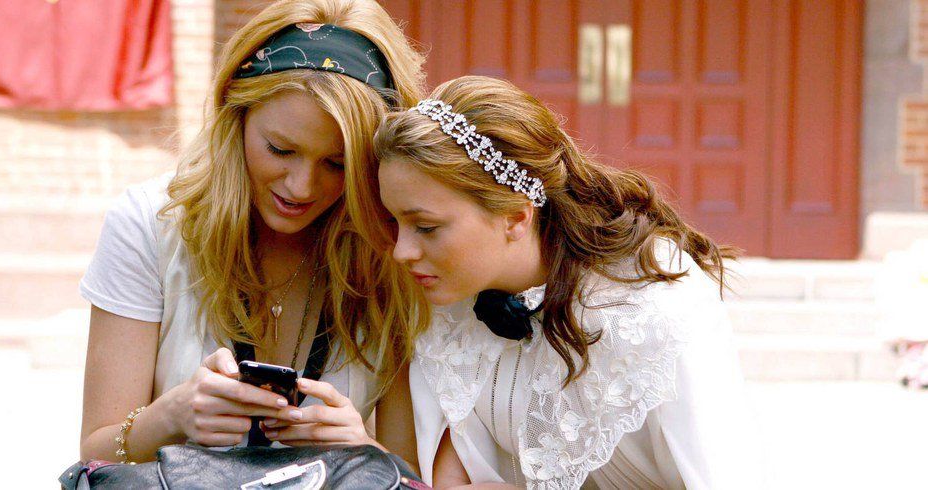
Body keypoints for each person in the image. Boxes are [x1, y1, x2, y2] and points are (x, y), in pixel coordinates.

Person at [78, 0, 429, 468]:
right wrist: (171, 416)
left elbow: (411, 475)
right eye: (280, 150)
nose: (301, 187)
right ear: (235, 111)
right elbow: (95, 455)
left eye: (336, 164)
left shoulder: (394, 251)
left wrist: (366, 452)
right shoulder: (149, 223)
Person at [371, 76, 763, 489]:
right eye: (395, 222)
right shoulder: (451, 304)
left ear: (516, 217)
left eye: (426, 227)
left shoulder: (651, 308)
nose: (401, 251)